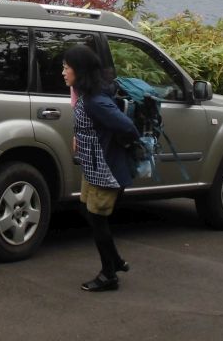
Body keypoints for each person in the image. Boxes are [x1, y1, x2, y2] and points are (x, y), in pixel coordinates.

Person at [63, 44, 140, 293]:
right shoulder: (88, 95)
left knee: (97, 220)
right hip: (94, 167)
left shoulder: (96, 101)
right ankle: (115, 261)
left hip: (106, 170)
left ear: (80, 71)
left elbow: (128, 127)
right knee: (90, 213)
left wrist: (110, 146)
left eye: (67, 68)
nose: (63, 72)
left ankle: (109, 274)